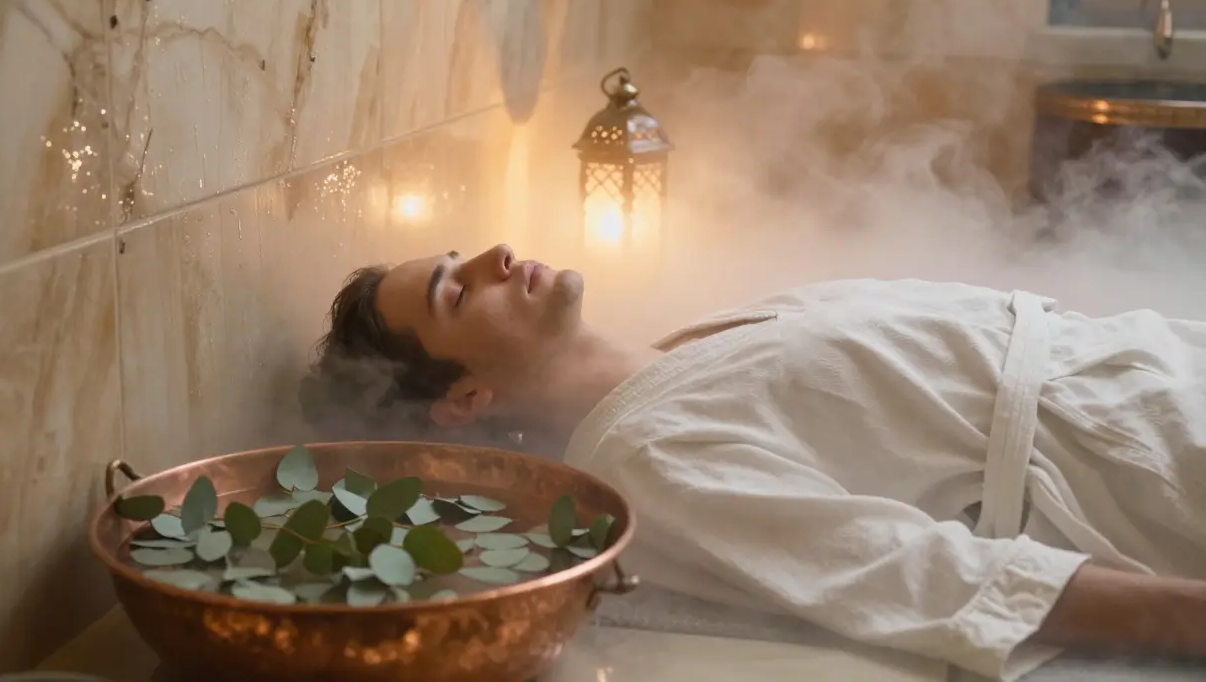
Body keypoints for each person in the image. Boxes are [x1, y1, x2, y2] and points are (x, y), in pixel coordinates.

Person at [299, 243, 1206, 681]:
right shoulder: (644, 458)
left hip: (1161, 366)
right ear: (464, 401)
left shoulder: (699, 339)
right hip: (1149, 461)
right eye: (458, 290)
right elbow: (930, 577)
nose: (498, 253)